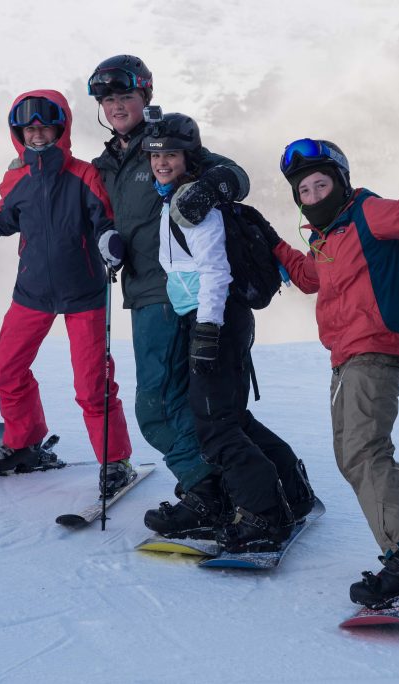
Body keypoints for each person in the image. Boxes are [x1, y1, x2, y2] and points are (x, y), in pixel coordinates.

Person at [262, 138, 399, 607]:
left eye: (321, 184)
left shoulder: (369, 212)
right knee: (362, 453)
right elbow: (312, 278)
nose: (313, 195)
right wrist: (272, 244)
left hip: (374, 348)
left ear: (342, 181)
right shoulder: (327, 234)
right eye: (304, 191)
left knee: (361, 455)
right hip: (347, 354)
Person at [86, 55, 256, 530]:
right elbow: (106, 215)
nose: (117, 107)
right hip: (146, 292)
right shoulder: (109, 163)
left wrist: (208, 191)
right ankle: (232, 488)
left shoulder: (167, 144)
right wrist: (107, 236)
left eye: (126, 96)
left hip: (175, 294)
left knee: (158, 406)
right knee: (186, 402)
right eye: (109, 100)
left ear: (146, 96)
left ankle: (207, 493)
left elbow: (236, 177)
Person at [0, 90, 133, 494]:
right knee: (6, 372)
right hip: (31, 292)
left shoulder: (83, 175)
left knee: (92, 386)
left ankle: (115, 461)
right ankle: (23, 442)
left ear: (60, 128)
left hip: (84, 294)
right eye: (28, 128)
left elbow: (103, 219)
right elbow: (0, 221)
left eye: (44, 126)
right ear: (18, 133)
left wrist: (108, 242)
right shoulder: (18, 179)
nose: (36, 134)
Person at [145, 113, 315, 549]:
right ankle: (292, 493)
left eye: (171, 154)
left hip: (215, 320)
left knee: (216, 427)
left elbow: (215, 273)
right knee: (233, 417)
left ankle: (263, 517)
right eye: (156, 154)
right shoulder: (174, 199)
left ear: (190, 157)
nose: (162, 162)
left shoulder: (193, 206)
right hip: (220, 320)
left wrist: (206, 331)